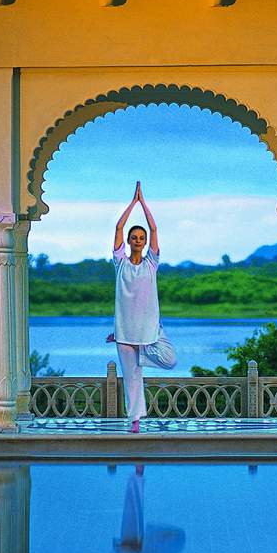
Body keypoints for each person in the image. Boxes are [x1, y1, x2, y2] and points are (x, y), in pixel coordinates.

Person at [110, 182, 177, 433]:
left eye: (142, 238)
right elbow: (118, 227)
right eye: (134, 237)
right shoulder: (120, 263)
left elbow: (155, 227)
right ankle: (135, 422)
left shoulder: (151, 263)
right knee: (132, 379)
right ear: (129, 240)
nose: (138, 240)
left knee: (171, 360)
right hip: (125, 333)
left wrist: (143, 203)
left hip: (149, 331)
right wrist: (132, 204)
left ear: (145, 242)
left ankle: (144, 354)